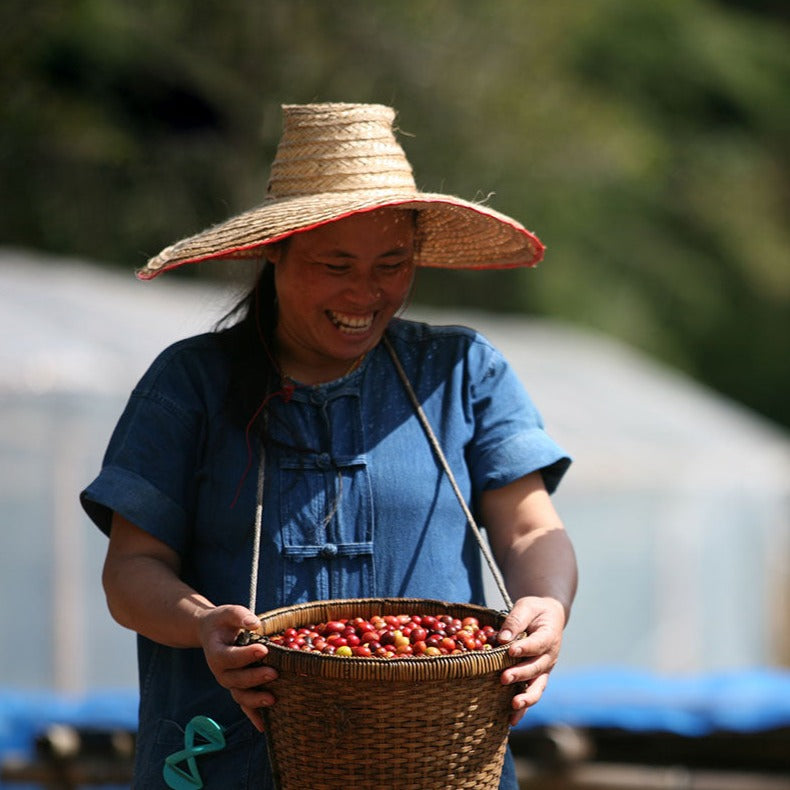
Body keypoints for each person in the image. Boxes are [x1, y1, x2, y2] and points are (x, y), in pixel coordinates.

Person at [81, 102, 577, 789]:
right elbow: (131, 571)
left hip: (435, 759)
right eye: (335, 264)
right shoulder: (192, 382)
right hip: (234, 760)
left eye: (392, 264)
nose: (366, 293)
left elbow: (530, 531)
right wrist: (202, 625)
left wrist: (545, 608)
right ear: (274, 254)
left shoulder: (462, 371)